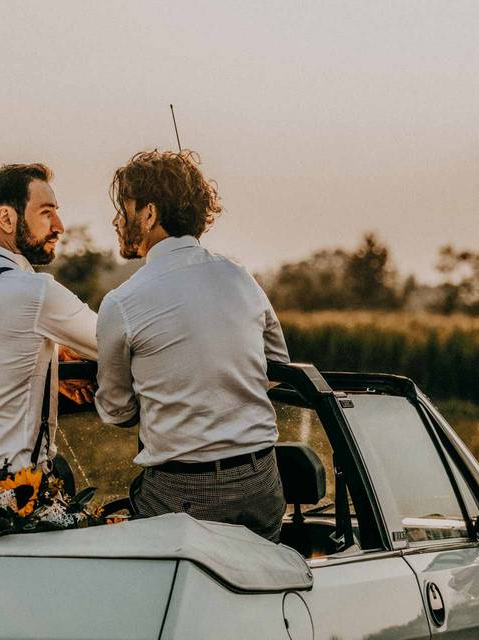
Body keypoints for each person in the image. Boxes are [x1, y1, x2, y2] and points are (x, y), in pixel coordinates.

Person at [94, 150, 290, 542]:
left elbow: (115, 410)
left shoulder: (122, 303)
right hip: (263, 483)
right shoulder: (241, 278)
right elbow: (277, 368)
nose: (118, 220)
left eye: (124, 209)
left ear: (148, 215)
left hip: (184, 494)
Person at [0, 163, 96, 477]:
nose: (60, 225)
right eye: (46, 212)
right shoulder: (36, 291)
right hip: (15, 491)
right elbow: (119, 343)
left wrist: (52, 359)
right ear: (7, 218)